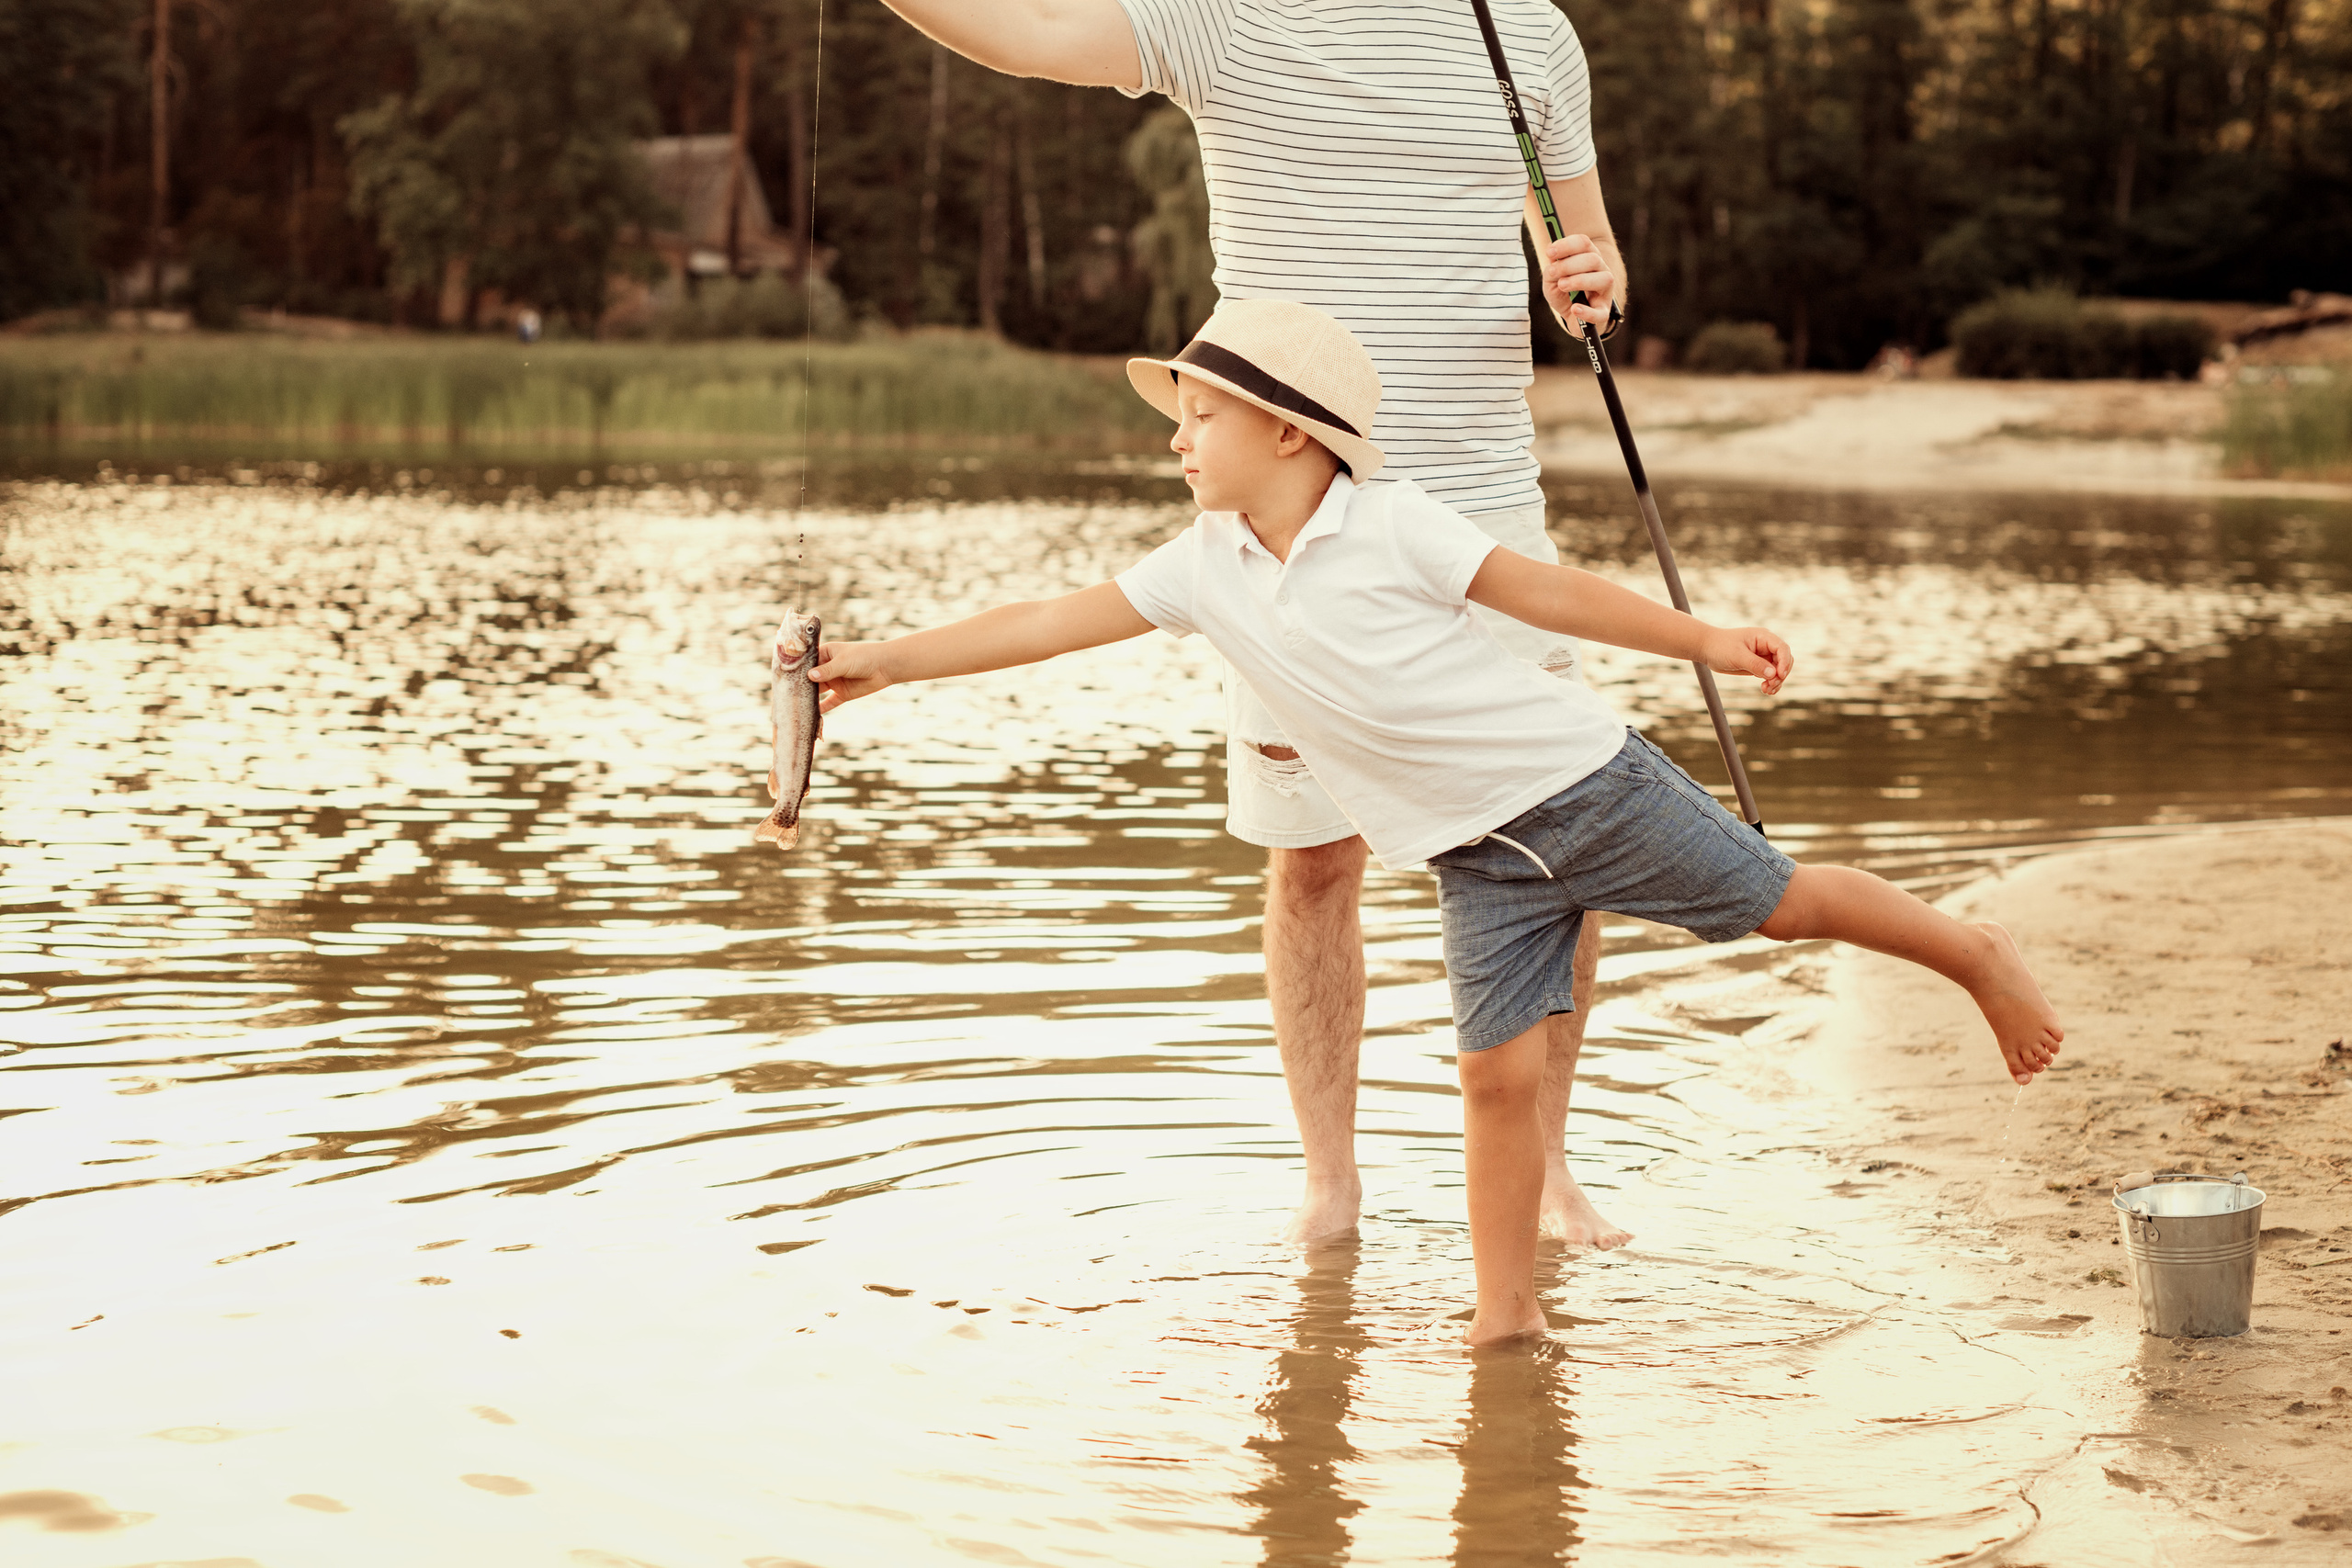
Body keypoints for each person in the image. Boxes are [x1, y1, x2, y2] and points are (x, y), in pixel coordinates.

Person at [795, 301, 2065, 1346]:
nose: (1179, 440)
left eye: (1201, 416)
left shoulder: (1391, 521)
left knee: (1786, 906)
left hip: (1585, 789)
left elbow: (1547, 591)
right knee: (1490, 1079)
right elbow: (1046, 621)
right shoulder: (1203, 562)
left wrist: (1703, 640)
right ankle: (1505, 1321)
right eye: (1177, 418)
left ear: (1290, 435)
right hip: (1476, 860)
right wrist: (886, 661)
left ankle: (1976, 956)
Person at [876, 0, 1632, 1247]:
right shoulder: (1226, 16)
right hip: (1289, 521)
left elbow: (1590, 265)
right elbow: (1021, 36)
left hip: (1487, 515)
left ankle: (1547, 1171)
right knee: (1314, 860)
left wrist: (1593, 291)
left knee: (1556, 855)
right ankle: (1330, 1188)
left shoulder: (1529, 33)